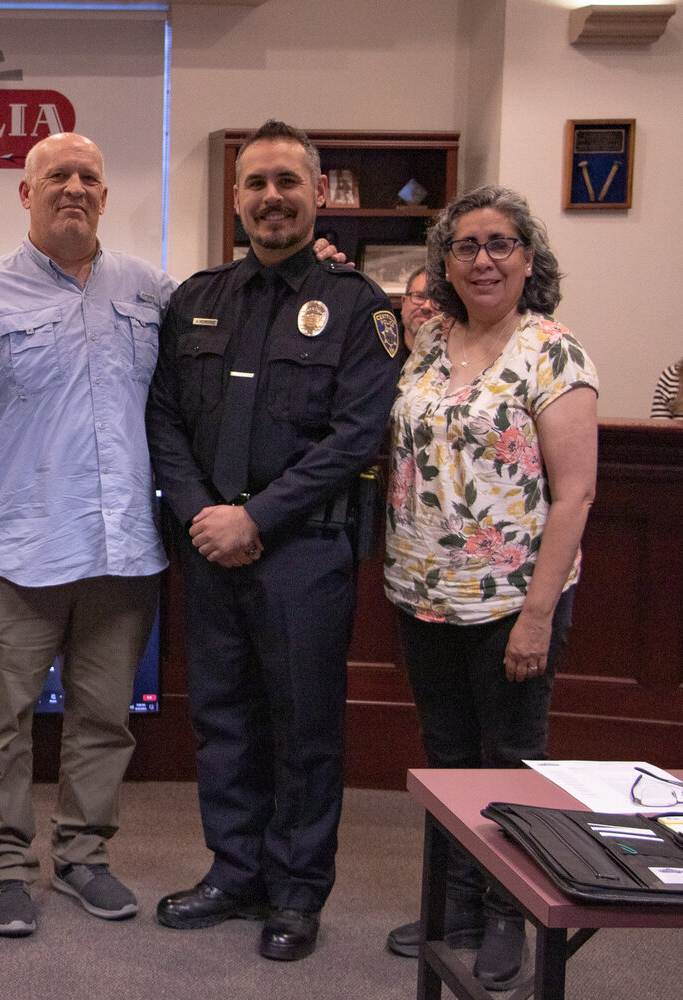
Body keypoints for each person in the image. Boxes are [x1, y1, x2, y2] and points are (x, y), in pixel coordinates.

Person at [145, 120, 402, 961]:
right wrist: (202, 516)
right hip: (210, 549)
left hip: (303, 555)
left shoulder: (362, 308)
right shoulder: (198, 298)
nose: (271, 198)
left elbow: (356, 435)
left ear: (316, 193)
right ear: (237, 197)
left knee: (302, 728)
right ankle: (234, 871)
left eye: (288, 182)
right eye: (256, 183)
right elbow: (164, 421)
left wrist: (256, 518)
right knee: (222, 719)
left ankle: (296, 891)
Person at [0, 132, 173, 937]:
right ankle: (6, 867)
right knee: (4, 724)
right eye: (56, 174)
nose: (74, 187)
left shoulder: (151, 291)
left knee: (104, 719)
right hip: (17, 553)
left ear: (103, 193)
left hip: (122, 551)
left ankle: (85, 855)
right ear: (26, 193)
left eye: (89, 175)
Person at [381, 185, 597, 990]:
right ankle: (458, 906)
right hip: (422, 594)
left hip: (513, 600)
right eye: (466, 246)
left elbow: (574, 494)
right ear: (444, 263)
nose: (483, 259)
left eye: (499, 243)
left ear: (528, 258)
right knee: (447, 760)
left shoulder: (554, 352)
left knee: (509, 764)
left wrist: (539, 614)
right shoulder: (428, 343)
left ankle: (513, 914)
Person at [400, 265, 439, 351]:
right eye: (419, 296)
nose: (427, 306)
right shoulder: (377, 349)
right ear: (403, 303)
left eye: (437, 299)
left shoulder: (460, 357)